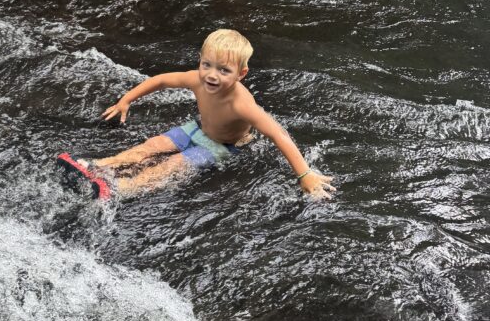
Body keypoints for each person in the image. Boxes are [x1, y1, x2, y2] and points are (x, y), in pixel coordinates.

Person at [88, 28, 335, 199]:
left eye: (224, 70)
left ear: (241, 74)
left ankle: (123, 189)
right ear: (200, 61)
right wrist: (126, 100)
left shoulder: (242, 104)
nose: (211, 75)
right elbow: (162, 80)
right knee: (153, 145)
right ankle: (99, 166)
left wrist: (305, 175)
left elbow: (279, 135)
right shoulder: (197, 79)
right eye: (207, 65)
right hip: (197, 128)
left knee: (173, 165)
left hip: (222, 145)